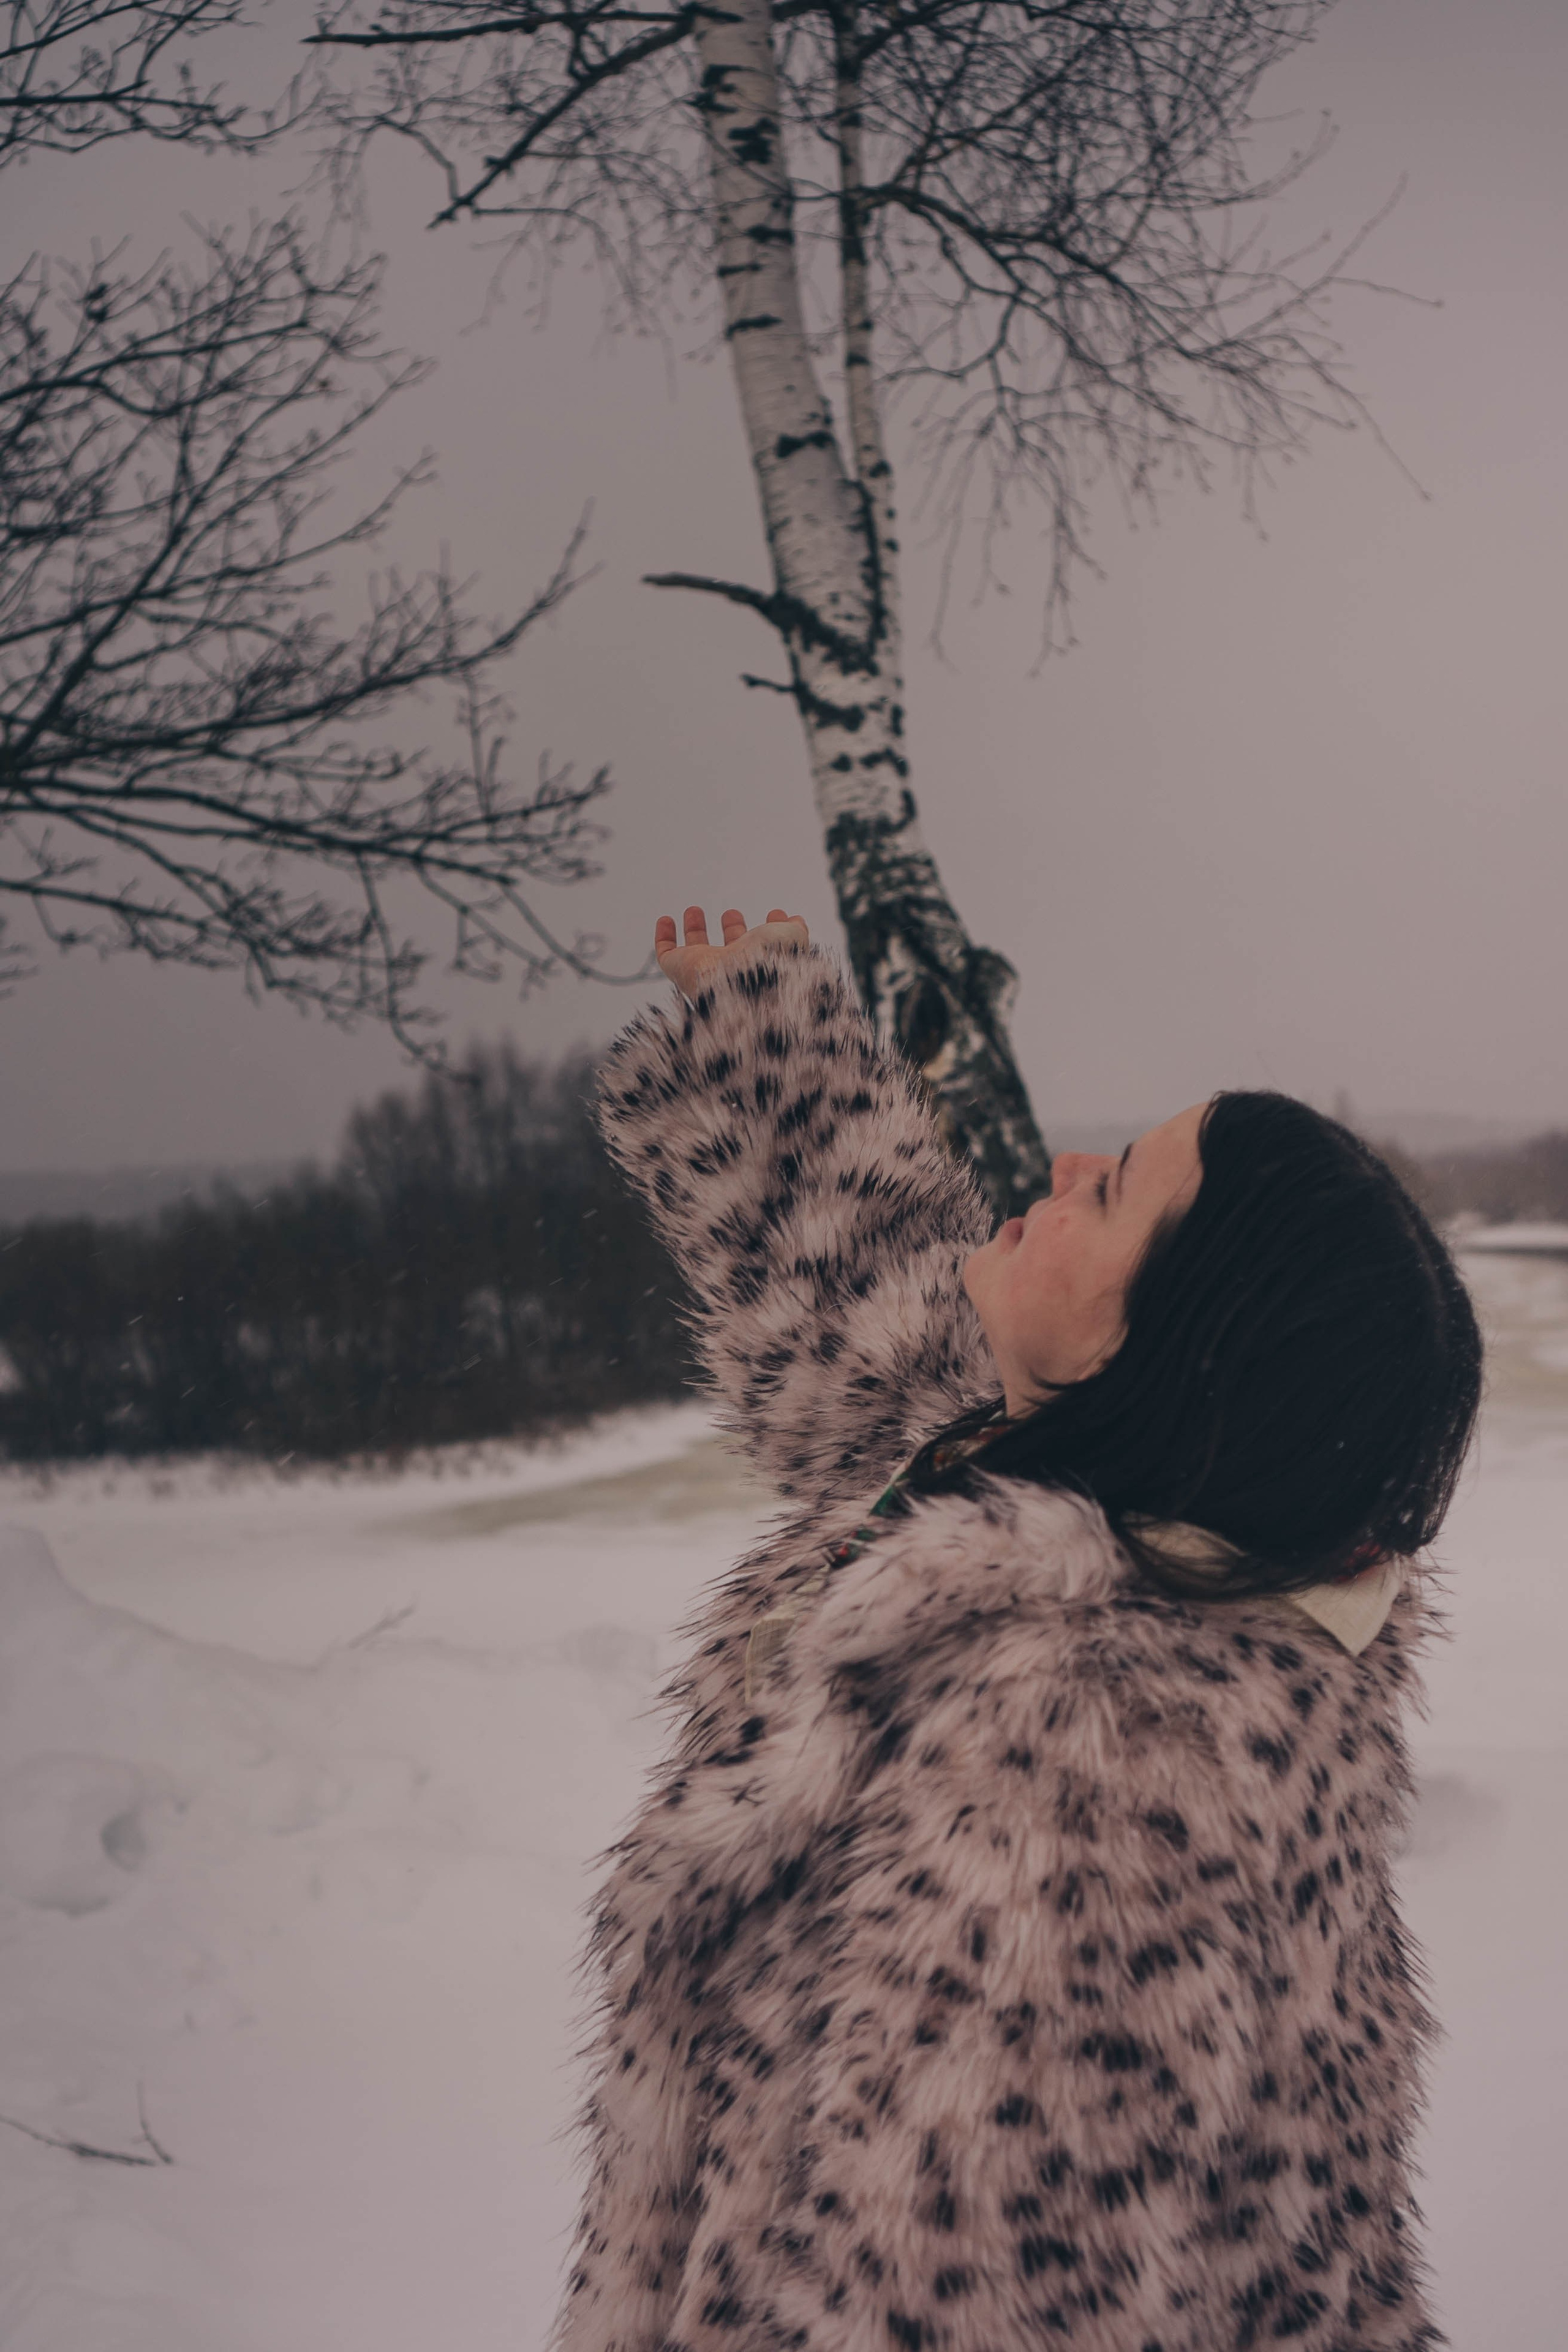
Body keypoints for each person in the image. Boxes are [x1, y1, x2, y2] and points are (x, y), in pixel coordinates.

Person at [549, 904, 1481, 2352]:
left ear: (1160, 1359)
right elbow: (859, 1305)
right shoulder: (1098, 1514)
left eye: (1108, 1197)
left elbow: (965, 2292)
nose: (1059, 1171)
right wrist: (757, 1043)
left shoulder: (1097, 1770)